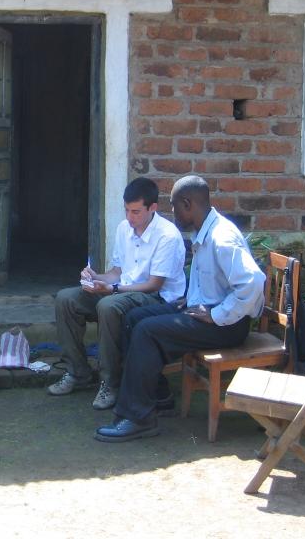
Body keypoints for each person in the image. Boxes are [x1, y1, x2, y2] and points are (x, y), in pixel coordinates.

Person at [95, 175, 266, 442]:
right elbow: (214, 282)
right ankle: (158, 397)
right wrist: (193, 299)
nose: (171, 212)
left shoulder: (222, 237)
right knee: (134, 317)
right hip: (204, 311)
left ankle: (139, 418)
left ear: (187, 204)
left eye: (174, 206)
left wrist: (216, 314)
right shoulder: (204, 231)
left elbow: (253, 283)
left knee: (148, 331)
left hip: (227, 326)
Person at [47, 177, 186, 410]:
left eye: (136, 212)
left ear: (153, 208)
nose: (130, 218)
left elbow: (154, 284)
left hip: (157, 298)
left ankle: (110, 383)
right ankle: (77, 372)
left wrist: (112, 289)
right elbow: (117, 272)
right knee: (66, 299)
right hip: (123, 290)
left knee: (108, 306)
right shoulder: (124, 229)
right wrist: (96, 277)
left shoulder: (167, 235)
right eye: (127, 211)